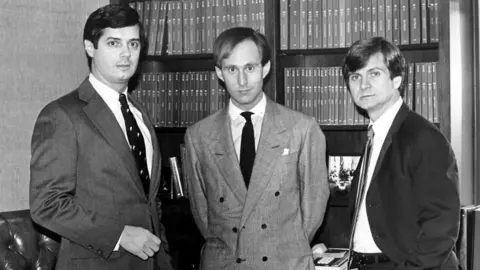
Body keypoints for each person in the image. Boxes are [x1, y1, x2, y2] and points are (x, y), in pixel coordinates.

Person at [29, 4, 173, 270]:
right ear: (90, 47)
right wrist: (119, 235)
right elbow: (46, 205)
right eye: (113, 43)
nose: (125, 54)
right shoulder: (61, 115)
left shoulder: (140, 113)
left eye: (133, 44)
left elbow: (149, 202)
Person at [183, 26, 330, 269]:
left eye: (250, 68)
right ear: (220, 73)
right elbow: (202, 214)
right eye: (232, 69)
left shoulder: (301, 129)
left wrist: (286, 249)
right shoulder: (199, 136)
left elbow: (314, 207)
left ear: (265, 68)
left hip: (284, 263)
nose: (242, 81)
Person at [343, 36, 460, 269]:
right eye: (356, 77)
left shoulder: (422, 136)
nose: (363, 85)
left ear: (397, 80)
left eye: (374, 74)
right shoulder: (374, 134)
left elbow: (441, 224)